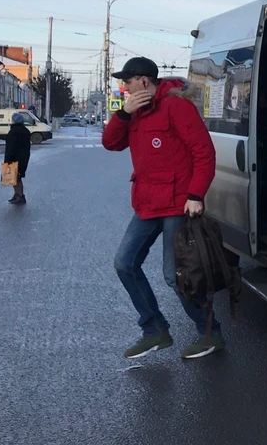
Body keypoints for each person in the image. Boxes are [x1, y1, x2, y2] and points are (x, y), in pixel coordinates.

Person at [102, 56, 222, 360]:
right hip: (147, 203)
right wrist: (123, 114)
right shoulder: (135, 112)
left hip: (178, 204)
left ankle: (210, 335)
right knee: (124, 263)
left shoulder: (176, 106)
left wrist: (196, 194)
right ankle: (155, 330)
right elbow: (110, 143)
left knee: (177, 275)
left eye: (127, 82)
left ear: (144, 81)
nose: (124, 87)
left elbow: (204, 153)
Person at [3, 113, 31, 205]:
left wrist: (8, 159)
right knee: (15, 177)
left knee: (16, 178)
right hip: (23, 157)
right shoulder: (25, 130)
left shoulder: (14, 132)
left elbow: (11, 146)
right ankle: (17, 195)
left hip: (14, 157)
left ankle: (20, 196)